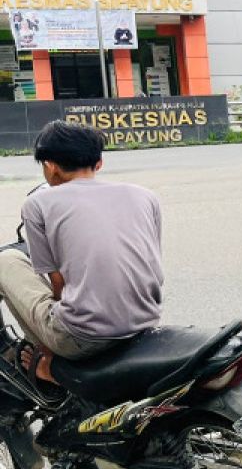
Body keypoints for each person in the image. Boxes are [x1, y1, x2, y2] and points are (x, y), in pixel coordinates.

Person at [0, 121, 163, 387]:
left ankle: (48, 365)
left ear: (49, 165)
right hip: (146, 322)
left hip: (81, 340)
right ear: (99, 164)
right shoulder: (146, 196)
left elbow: (59, 285)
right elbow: (150, 265)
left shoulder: (38, 204)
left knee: (5, 262)